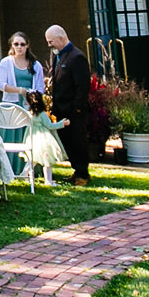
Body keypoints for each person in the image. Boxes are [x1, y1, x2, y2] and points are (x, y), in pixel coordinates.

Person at [44, 24, 92, 185]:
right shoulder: (56, 55)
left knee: (77, 141)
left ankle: (82, 174)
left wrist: (77, 108)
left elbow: (83, 86)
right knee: (68, 141)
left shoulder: (76, 57)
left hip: (73, 109)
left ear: (61, 38)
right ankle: (76, 171)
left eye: (51, 42)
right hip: (60, 107)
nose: (49, 45)